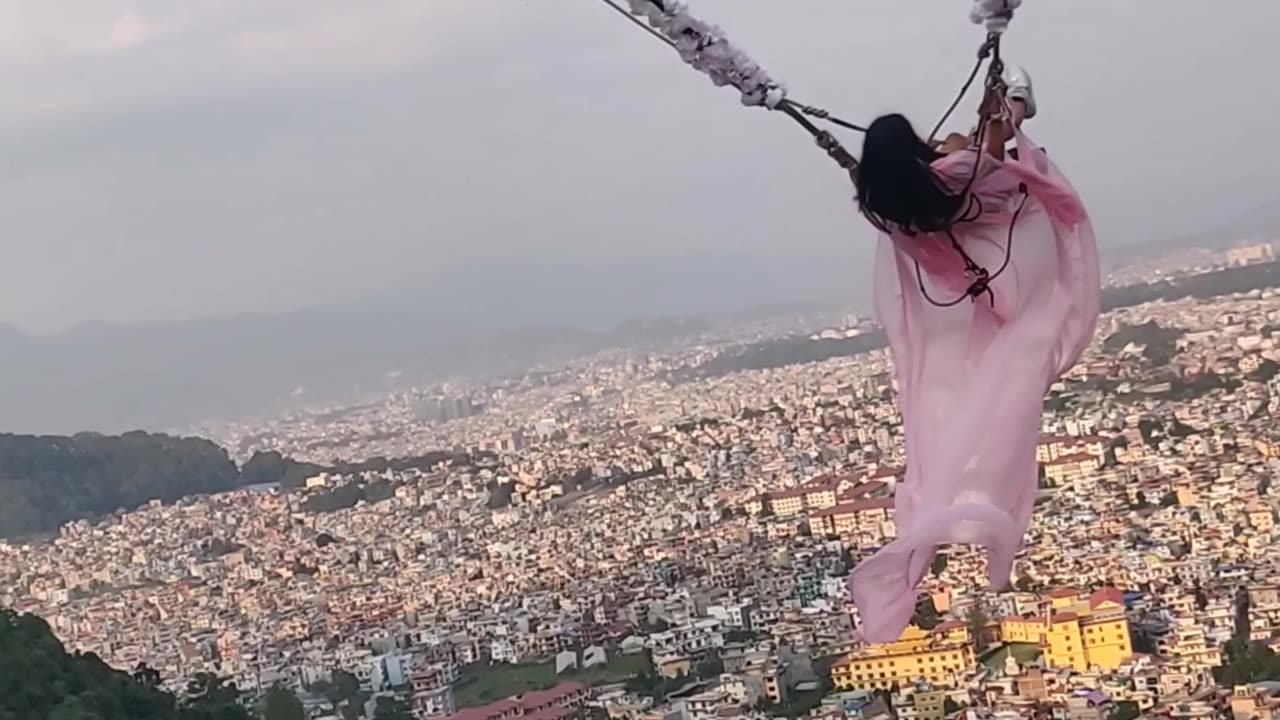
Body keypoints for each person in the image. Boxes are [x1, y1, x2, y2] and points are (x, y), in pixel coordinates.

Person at [845, 66, 1101, 645]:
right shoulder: (954, 175)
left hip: (960, 300)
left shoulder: (882, 206)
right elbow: (981, 158)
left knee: (971, 405)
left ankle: (1011, 106)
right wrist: (996, 117)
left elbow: (932, 168)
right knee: (1015, 375)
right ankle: (1017, 105)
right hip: (1006, 276)